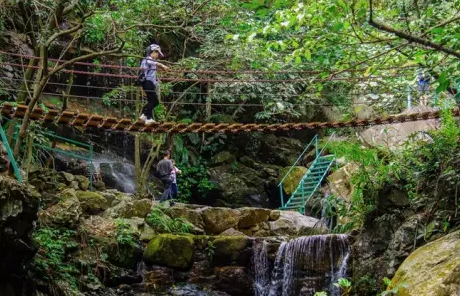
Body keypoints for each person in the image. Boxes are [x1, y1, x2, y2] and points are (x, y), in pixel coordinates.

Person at [139, 44, 169, 125]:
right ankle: (145, 116)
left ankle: (147, 118)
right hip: (147, 82)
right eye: (158, 53)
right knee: (155, 101)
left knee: (150, 101)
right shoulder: (147, 59)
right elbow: (150, 62)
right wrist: (162, 65)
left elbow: (150, 72)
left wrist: (156, 81)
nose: (158, 55)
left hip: (147, 83)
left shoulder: (151, 63)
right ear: (153, 51)